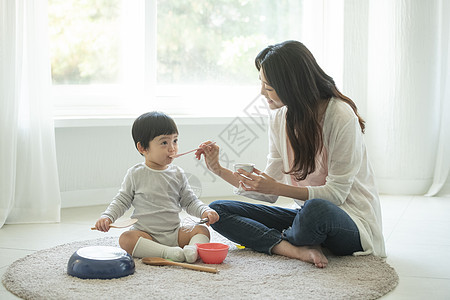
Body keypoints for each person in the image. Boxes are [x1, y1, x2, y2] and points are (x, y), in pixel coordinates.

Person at [196, 40, 385, 268]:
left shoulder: (341, 117)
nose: (262, 93)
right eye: (262, 84)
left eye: (268, 87)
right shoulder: (279, 117)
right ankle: (293, 248)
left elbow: (336, 195)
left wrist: (276, 188)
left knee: (315, 211)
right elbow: (267, 192)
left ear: (292, 86)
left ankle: (295, 237)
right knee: (217, 210)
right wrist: (218, 169)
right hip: (305, 218)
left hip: (350, 221)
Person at [95, 111, 219, 263]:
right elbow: (122, 201)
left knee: (202, 230)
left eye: (175, 141)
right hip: (146, 235)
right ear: (142, 148)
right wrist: (107, 216)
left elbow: (189, 201)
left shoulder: (178, 173)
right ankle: (167, 252)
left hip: (175, 233)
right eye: (164, 143)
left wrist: (204, 211)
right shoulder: (136, 174)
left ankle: (192, 250)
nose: (172, 148)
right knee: (126, 239)